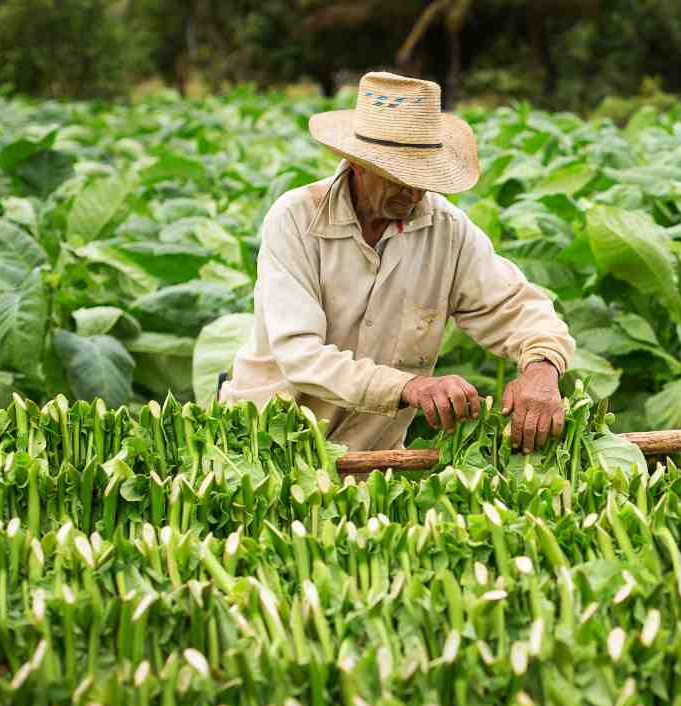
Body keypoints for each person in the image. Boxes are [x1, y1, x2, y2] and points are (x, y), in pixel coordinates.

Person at [220, 71, 574, 453]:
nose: (415, 190)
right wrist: (410, 386)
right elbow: (300, 356)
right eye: (398, 176)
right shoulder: (296, 218)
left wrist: (542, 368)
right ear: (357, 165)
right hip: (267, 451)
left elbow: (516, 307)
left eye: (423, 176)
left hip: (372, 457)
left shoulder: (447, 229)